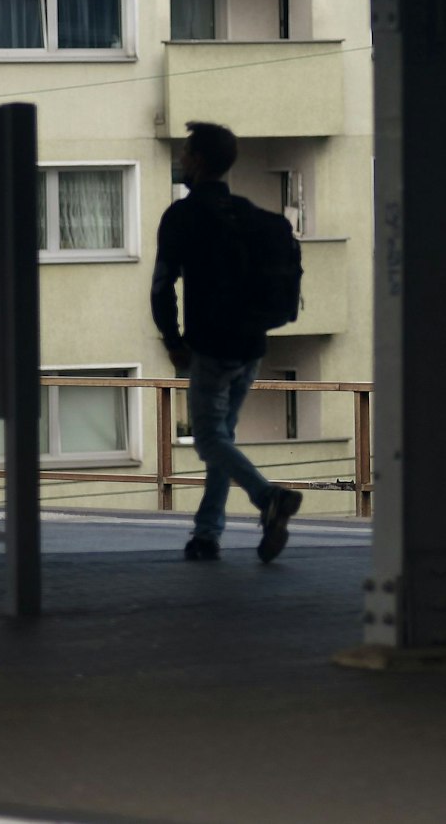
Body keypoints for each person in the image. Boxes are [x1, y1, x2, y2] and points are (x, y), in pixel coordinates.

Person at [150, 121, 303, 562]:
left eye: (184, 153)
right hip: (252, 345)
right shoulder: (248, 213)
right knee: (224, 436)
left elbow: (163, 285)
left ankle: (267, 497)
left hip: (211, 346)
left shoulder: (182, 216)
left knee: (209, 440)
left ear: (198, 161)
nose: (181, 159)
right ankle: (206, 535)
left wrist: (172, 339)